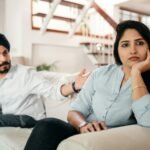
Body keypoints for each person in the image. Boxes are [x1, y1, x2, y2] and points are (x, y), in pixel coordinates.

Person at [24, 20, 150, 150]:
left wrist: (136, 73)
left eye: (140, 43)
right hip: (81, 130)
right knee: (47, 125)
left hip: (112, 139)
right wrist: (83, 125)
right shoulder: (100, 73)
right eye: (125, 45)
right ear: (117, 49)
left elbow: (147, 121)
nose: (133, 50)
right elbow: (74, 111)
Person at [0, 33, 89, 128]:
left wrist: (75, 86)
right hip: (7, 119)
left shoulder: (25, 74)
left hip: (30, 120)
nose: (3, 58)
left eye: (5, 53)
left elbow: (52, 91)